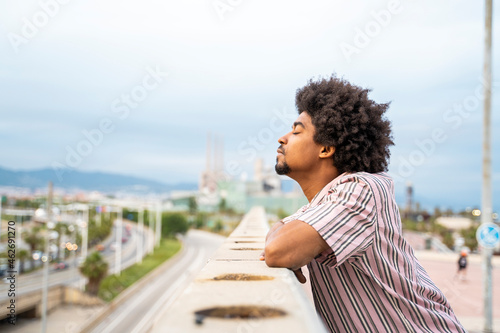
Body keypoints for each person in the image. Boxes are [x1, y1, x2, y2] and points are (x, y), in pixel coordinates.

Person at [261, 76, 466, 332]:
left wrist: (290, 243)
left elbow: (278, 250)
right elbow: (279, 234)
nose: (282, 138)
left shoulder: (361, 190)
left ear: (326, 148)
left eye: (296, 131)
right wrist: (288, 237)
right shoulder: (324, 203)